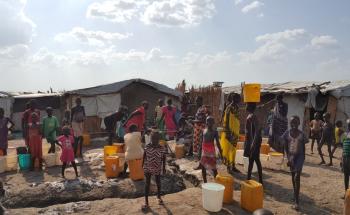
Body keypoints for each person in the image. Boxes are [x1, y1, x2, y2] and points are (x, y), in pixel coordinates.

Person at [282, 116, 308, 211]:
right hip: (291, 158)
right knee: (293, 176)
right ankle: (295, 194)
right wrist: (287, 158)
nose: (293, 125)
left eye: (295, 123)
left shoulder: (302, 135)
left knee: (297, 176)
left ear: (299, 123)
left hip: (299, 157)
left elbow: (303, 147)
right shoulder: (287, 133)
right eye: (292, 123)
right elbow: (285, 147)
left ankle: (297, 202)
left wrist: (304, 157)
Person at [142, 130, 166, 211]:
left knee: (158, 182)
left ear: (159, 139)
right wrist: (142, 166)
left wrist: (164, 168)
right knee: (147, 184)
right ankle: (146, 202)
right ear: (150, 138)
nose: (155, 140)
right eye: (153, 138)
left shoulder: (161, 148)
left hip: (157, 167)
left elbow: (164, 158)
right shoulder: (147, 147)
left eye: (156, 138)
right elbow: (144, 157)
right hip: (148, 167)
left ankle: (159, 197)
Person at [220, 93, 241, 173]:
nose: (239, 100)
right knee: (228, 150)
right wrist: (227, 132)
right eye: (238, 99)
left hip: (235, 132)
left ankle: (233, 166)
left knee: (234, 149)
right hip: (229, 132)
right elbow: (226, 120)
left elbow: (237, 119)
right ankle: (228, 167)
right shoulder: (229, 108)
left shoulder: (237, 107)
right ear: (234, 99)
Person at [244, 103, 263, 184]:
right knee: (251, 160)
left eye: (247, 105)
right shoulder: (250, 115)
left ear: (250, 107)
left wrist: (253, 144)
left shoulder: (253, 116)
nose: (246, 106)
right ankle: (248, 178)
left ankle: (260, 180)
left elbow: (257, 132)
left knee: (256, 160)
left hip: (254, 142)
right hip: (251, 142)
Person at [200, 116, 222, 183]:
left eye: (210, 121)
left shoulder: (215, 132)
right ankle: (205, 182)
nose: (208, 122)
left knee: (213, 167)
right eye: (207, 121)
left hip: (211, 151)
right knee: (203, 166)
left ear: (213, 123)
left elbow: (218, 143)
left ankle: (217, 182)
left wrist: (221, 151)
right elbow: (202, 141)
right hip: (204, 151)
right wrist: (199, 151)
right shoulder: (204, 130)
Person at [342, 119, 350, 197]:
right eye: (348, 125)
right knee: (346, 176)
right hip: (345, 157)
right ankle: (346, 193)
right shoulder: (344, 134)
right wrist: (342, 159)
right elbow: (343, 147)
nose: (349, 126)